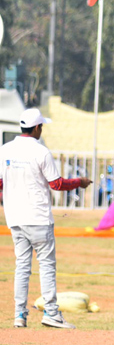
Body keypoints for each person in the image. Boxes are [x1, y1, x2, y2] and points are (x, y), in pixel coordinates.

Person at [1, 108, 91, 328]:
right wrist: (79, 182)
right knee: (47, 266)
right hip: (38, 218)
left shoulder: (5, 149)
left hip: (14, 218)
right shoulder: (41, 152)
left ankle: (19, 315)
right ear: (37, 127)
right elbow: (57, 184)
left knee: (22, 266)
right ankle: (51, 312)